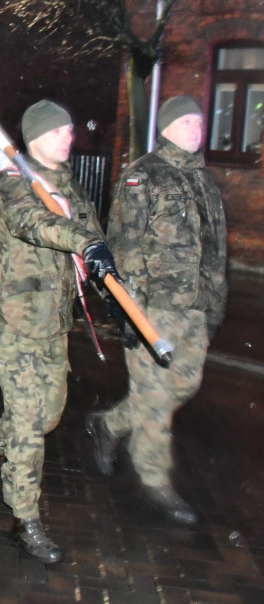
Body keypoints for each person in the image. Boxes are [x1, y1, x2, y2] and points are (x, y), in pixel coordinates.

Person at [0, 100, 116, 564]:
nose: (69, 137)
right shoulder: (15, 183)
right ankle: (25, 520)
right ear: (35, 136)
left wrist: (113, 289)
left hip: (56, 326)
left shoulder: (71, 187)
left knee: (46, 418)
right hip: (19, 326)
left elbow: (91, 244)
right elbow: (33, 223)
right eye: (59, 130)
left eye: (69, 129)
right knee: (26, 429)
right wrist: (83, 239)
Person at [86, 96, 227, 524]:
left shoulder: (205, 181)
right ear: (166, 128)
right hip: (154, 309)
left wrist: (215, 304)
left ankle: (110, 424)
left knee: (182, 386)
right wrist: (130, 313)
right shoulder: (141, 177)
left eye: (199, 121)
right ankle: (155, 481)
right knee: (154, 396)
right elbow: (124, 249)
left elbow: (217, 250)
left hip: (195, 308)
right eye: (186, 121)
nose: (195, 127)